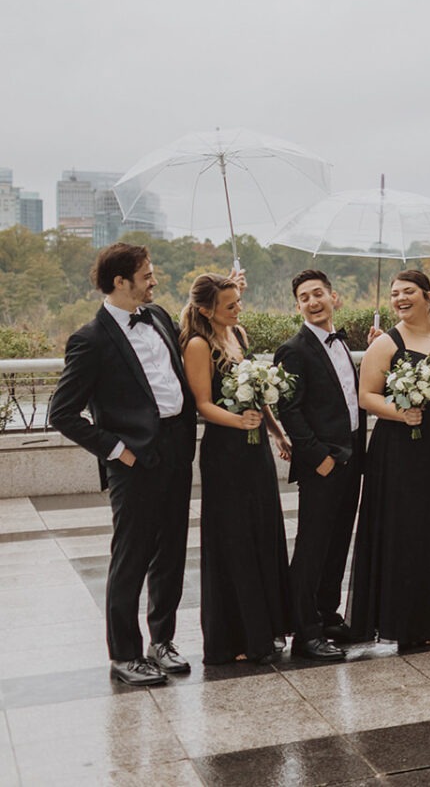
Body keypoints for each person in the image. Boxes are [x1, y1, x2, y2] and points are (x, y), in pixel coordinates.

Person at [51, 244, 197, 686]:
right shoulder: (90, 339)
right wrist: (118, 450)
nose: (154, 280)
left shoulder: (158, 318)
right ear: (121, 281)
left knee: (172, 551)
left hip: (176, 450)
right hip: (133, 461)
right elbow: (61, 413)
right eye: (147, 275)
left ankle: (162, 642)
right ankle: (125, 654)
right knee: (131, 556)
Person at [348, 269, 430, 648]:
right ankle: (411, 621)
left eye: (408, 292)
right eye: (394, 295)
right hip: (403, 451)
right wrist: (400, 411)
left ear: (428, 295)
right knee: (411, 533)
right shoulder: (385, 344)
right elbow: (366, 396)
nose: (400, 299)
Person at [181, 273, 294, 665]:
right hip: (225, 452)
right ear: (204, 310)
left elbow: (258, 394)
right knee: (234, 540)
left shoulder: (240, 336)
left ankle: (265, 628)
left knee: (262, 531)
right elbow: (203, 404)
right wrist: (238, 423)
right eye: (229, 305)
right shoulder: (198, 345)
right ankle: (236, 636)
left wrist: (276, 431)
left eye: (237, 302)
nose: (237, 309)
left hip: (255, 448)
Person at [273, 269, 365, 661]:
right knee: (312, 548)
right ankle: (305, 632)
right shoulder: (293, 349)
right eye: (304, 298)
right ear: (298, 306)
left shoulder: (340, 343)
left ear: (334, 297)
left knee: (338, 541)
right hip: (324, 463)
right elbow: (289, 410)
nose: (312, 302)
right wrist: (318, 458)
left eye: (318, 294)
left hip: (352, 458)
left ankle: (327, 616)